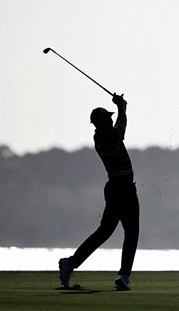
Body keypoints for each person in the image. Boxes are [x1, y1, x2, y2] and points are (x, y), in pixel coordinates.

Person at [59, 94, 140, 291]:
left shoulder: (102, 135)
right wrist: (122, 106)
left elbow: (121, 123)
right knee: (129, 232)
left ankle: (71, 263)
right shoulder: (107, 137)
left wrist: (121, 107)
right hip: (122, 190)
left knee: (106, 232)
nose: (112, 120)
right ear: (101, 123)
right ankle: (123, 276)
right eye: (108, 119)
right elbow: (122, 123)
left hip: (119, 189)